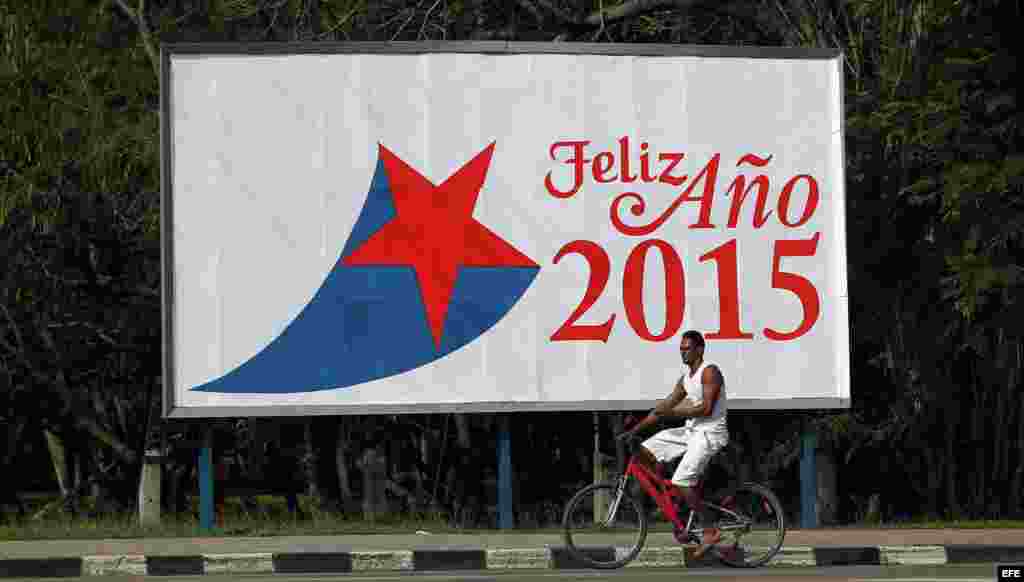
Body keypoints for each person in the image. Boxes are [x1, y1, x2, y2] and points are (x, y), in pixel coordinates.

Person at [617, 330, 729, 558]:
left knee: (681, 480)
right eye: (681, 349)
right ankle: (677, 500)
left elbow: (706, 409)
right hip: (690, 431)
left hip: (710, 433)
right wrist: (633, 431)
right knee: (645, 450)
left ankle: (710, 530)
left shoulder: (710, 372)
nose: (683, 352)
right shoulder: (686, 379)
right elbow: (662, 408)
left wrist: (674, 411)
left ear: (700, 349)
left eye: (687, 348)